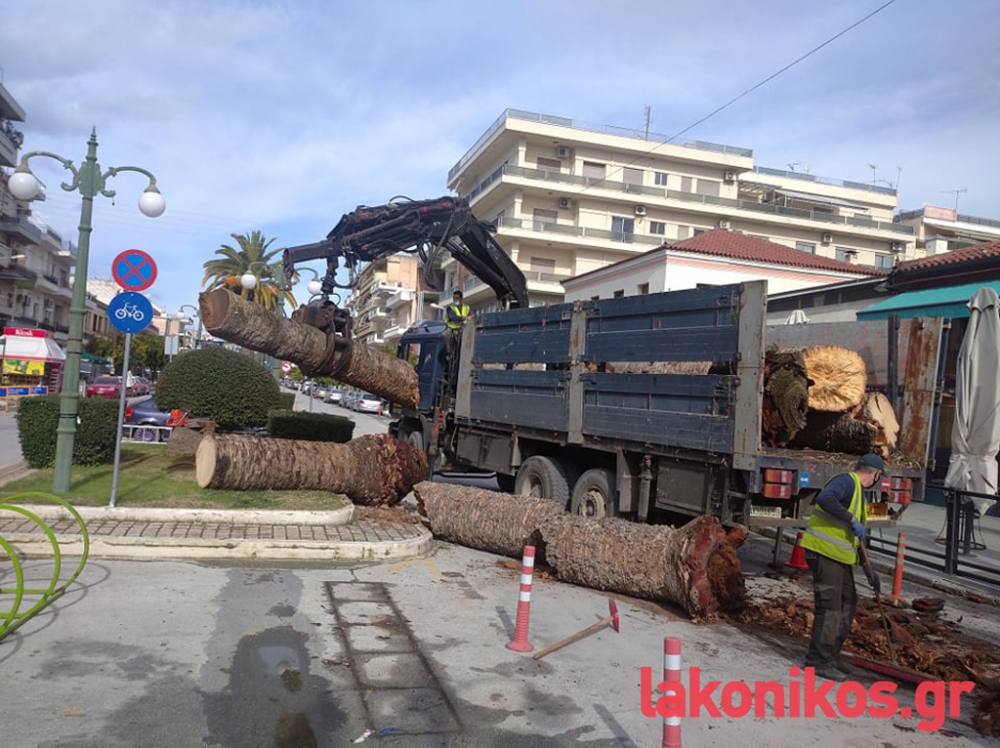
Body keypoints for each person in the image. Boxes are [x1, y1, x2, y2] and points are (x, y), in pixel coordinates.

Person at [800, 453, 884, 680]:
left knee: (848, 601)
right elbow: (826, 498)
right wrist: (852, 519)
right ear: (876, 474)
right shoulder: (846, 481)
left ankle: (830, 656)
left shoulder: (856, 490)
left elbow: (855, 539)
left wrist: (869, 571)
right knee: (830, 608)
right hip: (823, 553)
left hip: (839, 557)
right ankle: (816, 661)